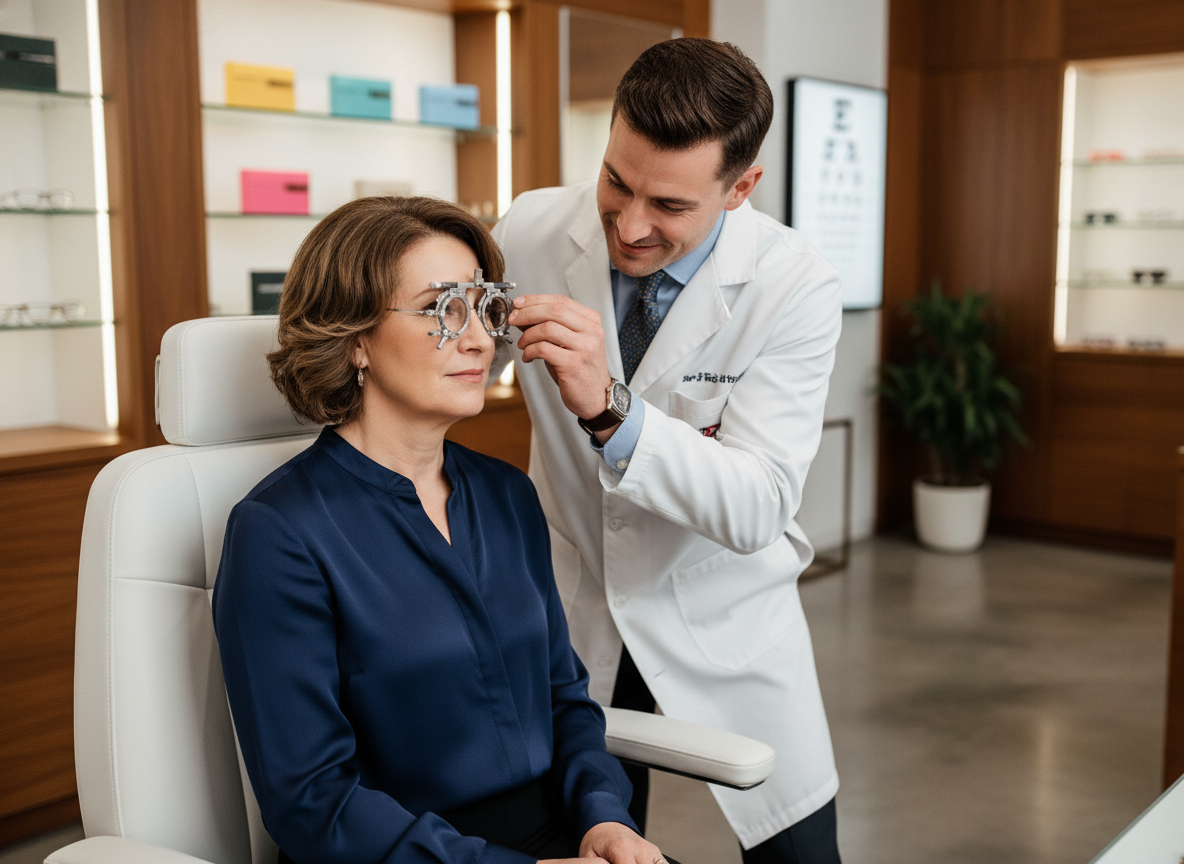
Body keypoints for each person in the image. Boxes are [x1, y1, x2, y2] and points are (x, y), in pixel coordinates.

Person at [211, 196, 676, 864]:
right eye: (440, 309)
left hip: (560, 834)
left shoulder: (507, 493)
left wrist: (606, 822)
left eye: (485, 307)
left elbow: (565, 701)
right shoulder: (279, 534)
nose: (481, 340)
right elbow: (312, 800)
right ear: (355, 340)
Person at [492, 38, 843, 864]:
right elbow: (456, 357)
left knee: (800, 854)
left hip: (723, 613)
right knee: (601, 838)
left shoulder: (794, 285)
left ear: (742, 186)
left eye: (672, 207)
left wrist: (614, 413)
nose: (630, 224)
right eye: (617, 180)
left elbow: (758, 505)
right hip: (575, 607)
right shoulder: (534, 227)